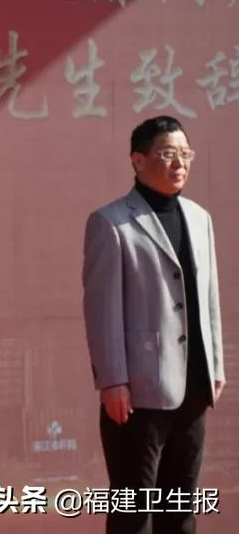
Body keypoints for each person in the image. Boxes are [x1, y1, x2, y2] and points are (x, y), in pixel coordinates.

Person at [82, 115, 224, 534]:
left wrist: (215, 364)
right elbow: (101, 308)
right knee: (135, 509)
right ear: (137, 160)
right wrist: (112, 381)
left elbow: (208, 298)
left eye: (184, 154)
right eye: (167, 154)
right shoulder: (111, 222)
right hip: (139, 391)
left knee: (180, 507)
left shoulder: (199, 218)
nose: (179, 163)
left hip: (194, 385)